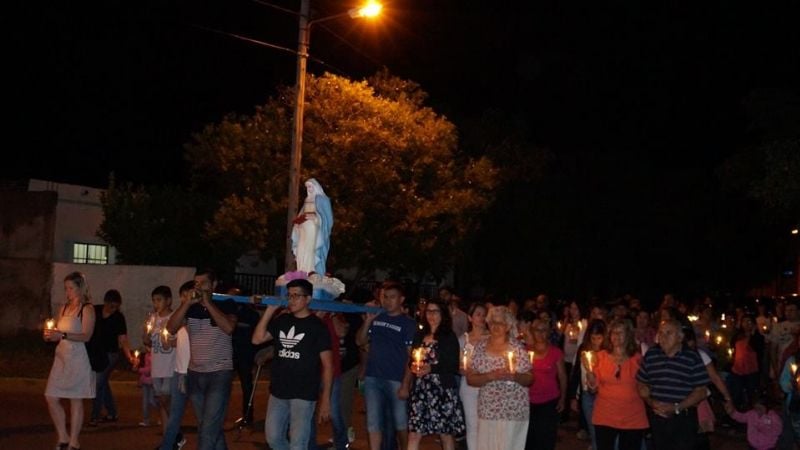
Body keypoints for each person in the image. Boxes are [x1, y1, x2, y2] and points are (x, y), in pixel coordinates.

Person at [251, 278, 333, 450]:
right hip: (279, 390)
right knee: (273, 438)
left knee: (298, 443)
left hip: (303, 393)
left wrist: (326, 399)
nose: (292, 299)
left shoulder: (317, 327)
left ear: (308, 299)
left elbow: (327, 365)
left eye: (297, 295)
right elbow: (257, 339)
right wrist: (269, 311)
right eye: (289, 295)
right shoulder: (282, 320)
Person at [167, 269, 236, 450]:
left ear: (214, 284)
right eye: (196, 283)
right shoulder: (191, 307)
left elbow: (229, 328)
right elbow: (171, 328)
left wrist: (208, 303)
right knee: (210, 427)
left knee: (207, 430)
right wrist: (185, 304)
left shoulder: (226, 303)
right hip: (195, 374)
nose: (199, 287)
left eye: (203, 283)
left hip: (219, 373)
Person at [357, 281, 418, 450]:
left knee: (401, 422)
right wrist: (367, 322)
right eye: (385, 297)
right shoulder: (376, 318)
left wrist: (406, 383)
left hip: (396, 378)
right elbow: (360, 341)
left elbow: (412, 357)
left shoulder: (408, 324)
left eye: (392, 297)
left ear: (401, 299)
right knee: (373, 421)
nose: (388, 301)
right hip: (373, 377)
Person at [466, 306, 532, 450]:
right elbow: (470, 379)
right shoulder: (480, 347)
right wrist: (489, 376)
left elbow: (529, 378)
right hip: (488, 409)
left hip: (512, 410)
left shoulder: (517, 348)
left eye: (500, 323)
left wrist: (514, 376)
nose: (496, 326)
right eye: (492, 322)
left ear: (508, 326)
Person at [636, 319, 710, 449]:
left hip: (683, 418)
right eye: (661, 333)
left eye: (668, 333)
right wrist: (650, 401)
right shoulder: (651, 355)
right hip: (658, 417)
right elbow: (641, 382)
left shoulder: (692, 357)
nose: (663, 337)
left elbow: (701, 390)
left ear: (680, 337)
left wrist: (676, 407)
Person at [403, 298, 466, 450]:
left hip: (441, 390)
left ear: (442, 314)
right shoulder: (420, 335)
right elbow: (412, 359)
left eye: (435, 311)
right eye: (429, 311)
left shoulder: (448, 336)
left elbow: (453, 364)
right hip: (421, 390)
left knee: (445, 434)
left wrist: (431, 368)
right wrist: (414, 367)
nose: (431, 315)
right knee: (414, 433)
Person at [44, 271, 97, 450]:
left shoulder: (87, 309)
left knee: (76, 399)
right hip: (62, 357)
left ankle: (74, 441)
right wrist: (51, 335)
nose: (68, 292)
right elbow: (59, 332)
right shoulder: (64, 308)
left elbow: (86, 336)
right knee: (51, 396)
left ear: (80, 288)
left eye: (71, 288)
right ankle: (63, 436)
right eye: (66, 288)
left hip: (79, 358)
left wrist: (63, 335)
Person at [585, 319, 648, 450]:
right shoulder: (600, 357)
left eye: (621, 332)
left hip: (632, 417)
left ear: (628, 335)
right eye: (613, 332)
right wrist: (591, 381)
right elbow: (593, 389)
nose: (616, 335)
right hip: (605, 416)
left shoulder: (637, 359)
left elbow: (645, 386)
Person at [89, 288, 135, 426]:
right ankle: (112, 413)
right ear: (105, 302)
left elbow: (123, 339)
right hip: (96, 353)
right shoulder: (94, 311)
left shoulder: (118, 317)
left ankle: (95, 416)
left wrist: (129, 356)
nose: (113, 309)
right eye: (111, 306)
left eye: (116, 307)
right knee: (102, 383)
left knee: (97, 383)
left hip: (110, 354)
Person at [158, 281, 194, 450]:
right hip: (179, 370)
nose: (186, 299)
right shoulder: (181, 315)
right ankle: (168, 445)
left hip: (192, 371)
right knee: (174, 414)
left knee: (203, 416)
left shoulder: (195, 316)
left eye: (189, 296)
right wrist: (169, 342)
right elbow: (179, 339)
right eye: (183, 296)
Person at [525, 319, 568, 450]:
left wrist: (563, 398)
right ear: (532, 332)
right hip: (528, 400)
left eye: (544, 330)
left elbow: (562, 376)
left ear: (549, 332)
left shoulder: (555, 352)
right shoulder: (525, 351)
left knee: (546, 437)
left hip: (549, 400)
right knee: (530, 437)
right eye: (537, 330)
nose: (540, 333)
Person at [143, 286, 177, 433]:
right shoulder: (153, 318)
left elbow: (181, 341)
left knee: (165, 399)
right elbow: (148, 341)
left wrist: (170, 342)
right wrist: (146, 334)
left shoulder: (174, 318)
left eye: (159, 300)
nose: (156, 303)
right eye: (154, 300)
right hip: (157, 366)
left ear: (168, 300)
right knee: (161, 401)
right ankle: (167, 434)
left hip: (170, 366)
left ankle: (174, 430)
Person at [459, 302, 489, 450]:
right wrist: (462, 369)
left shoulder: (492, 337)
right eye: (478, 314)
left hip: (488, 385)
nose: (482, 318)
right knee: (472, 425)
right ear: (470, 318)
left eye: (484, 315)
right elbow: (459, 364)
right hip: (469, 386)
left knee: (487, 425)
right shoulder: (463, 339)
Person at [291, 178, 333, 275]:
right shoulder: (307, 199)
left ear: (315, 186)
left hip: (313, 229)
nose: (309, 189)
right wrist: (298, 223)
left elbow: (328, 218)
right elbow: (302, 213)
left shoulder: (322, 199)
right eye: (307, 187)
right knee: (301, 249)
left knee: (310, 250)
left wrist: (316, 217)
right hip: (303, 229)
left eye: (310, 186)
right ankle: (301, 270)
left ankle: (310, 271)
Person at [137, 348, 158, 427]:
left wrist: (139, 370)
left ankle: (161, 413)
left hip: (151, 381)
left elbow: (149, 370)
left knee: (151, 401)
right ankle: (146, 420)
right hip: (146, 381)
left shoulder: (153, 356)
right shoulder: (147, 355)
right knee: (145, 401)